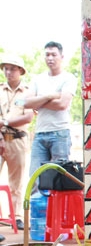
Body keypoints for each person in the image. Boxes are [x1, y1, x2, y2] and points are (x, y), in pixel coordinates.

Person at [24, 41, 78, 179]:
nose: (50, 58)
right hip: (40, 133)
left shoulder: (69, 78)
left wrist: (39, 101)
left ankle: (56, 202)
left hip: (60, 133)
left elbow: (62, 104)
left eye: (54, 54)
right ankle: (37, 201)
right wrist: (49, 96)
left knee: (58, 177)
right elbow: (26, 102)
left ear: (62, 56)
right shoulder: (37, 79)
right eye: (47, 55)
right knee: (35, 176)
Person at [0, 55, 34, 233]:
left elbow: (28, 117)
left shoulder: (28, 92)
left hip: (18, 139)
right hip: (0, 138)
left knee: (17, 182)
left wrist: (5, 122)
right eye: (6, 68)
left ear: (20, 71)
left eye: (12, 68)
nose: (8, 71)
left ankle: (17, 217)